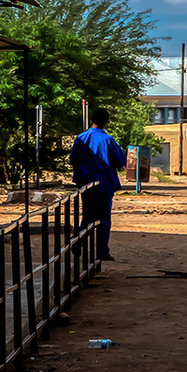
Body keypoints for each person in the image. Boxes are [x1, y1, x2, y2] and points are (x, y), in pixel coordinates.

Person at [68, 108, 125, 261]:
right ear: (106, 122)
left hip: (85, 184)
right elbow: (120, 161)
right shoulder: (108, 140)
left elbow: (72, 159)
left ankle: (78, 239)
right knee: (103, 217)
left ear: (92, 120)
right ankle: (101, 251)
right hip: (103, 185)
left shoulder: (81, 138)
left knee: (88, 215)